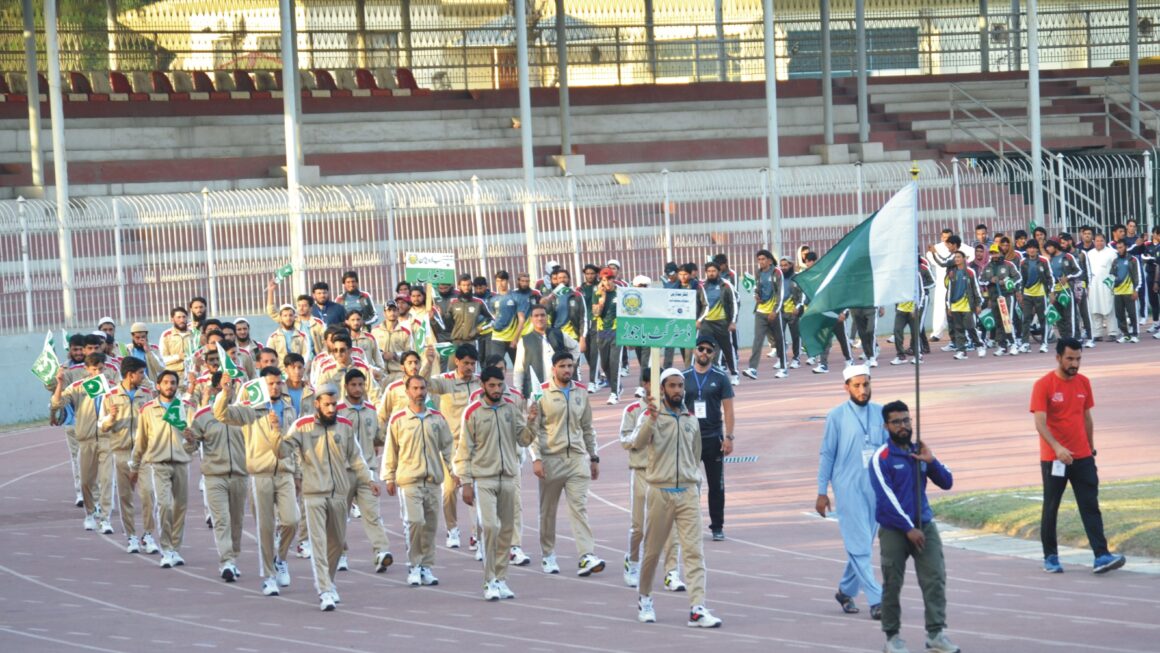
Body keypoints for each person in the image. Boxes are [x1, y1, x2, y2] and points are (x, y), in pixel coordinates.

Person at [630, 368, 722, 628]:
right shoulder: (652, 417)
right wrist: (650, 418)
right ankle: (645, 598)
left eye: (680, 386)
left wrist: (694, 484)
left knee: (694, 552)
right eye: (672, 386)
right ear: (662, 389)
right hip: (660, 492)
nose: (678, 391)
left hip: (688, 494)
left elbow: (695, 455)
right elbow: (637, 443)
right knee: (653, 552)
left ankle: (697, 608)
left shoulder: (691, 420)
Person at [280, 383, 380, 611]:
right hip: (314, 494)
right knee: (318, 543)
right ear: (317, 403)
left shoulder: (344, 426)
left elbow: (356, 458)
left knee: (337, 543)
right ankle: (324, 590)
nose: (332, 409)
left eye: (334, 404)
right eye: (327, 404)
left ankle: (330, 581)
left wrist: (369, 480)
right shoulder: (302, 426)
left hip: (339, 495)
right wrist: (277, 435)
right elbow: (283, 451)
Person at [1031, 338, 1127, 575]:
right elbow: (1040, 423)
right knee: (1051, 507)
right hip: (1054, 459)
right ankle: (1051, 557)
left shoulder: (1084, 383)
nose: (1075, 364)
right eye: (1070, 359)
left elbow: (1087, 418)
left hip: (1083, 457)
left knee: (1090, 505)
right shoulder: (1043, 385)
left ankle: (1101, 555)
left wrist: (1091, 449)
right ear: (1058, 358)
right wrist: (1057, 448)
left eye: (1078, 359)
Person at [869, 400, 957, 653]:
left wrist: (931, 461)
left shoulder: (919, 451)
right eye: (897, 422)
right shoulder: (881, 458)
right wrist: (908, 527)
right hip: (895, 530)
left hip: (925, 525)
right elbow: (886, 499)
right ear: (886, 426)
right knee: (892, 583)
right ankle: (892, 637)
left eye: (906, 420)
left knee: (935, 578)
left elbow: (947, 482)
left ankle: (936, 634)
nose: (903, 426)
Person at [214, 366, 300, 596]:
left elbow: (295, 441)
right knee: (265, 527)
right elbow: (222, 415)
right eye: (270, 383)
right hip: (260, 474)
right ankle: (269, 577)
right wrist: (225, 393)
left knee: (292, 521)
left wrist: (298, 472)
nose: (275, 387)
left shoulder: (289, 407)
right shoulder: (251, 410)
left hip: (285, 472)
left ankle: (280, 557)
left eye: (277, 383)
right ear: (262, 385)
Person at [457, 366, 536, 600]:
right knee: (490, 527)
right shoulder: (472, 412)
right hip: (484, 479)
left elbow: (523, 439)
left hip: (509, 477)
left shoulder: (510, 408)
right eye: (491, 385)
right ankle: (489, 580)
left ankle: (501, 579)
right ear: (483, 386)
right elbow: (464, 450)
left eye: (499, 385)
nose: (496, 389)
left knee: (507, 530)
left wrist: (532, 422)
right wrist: (466, 482)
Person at [815, 364, 885, 619]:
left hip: (875, 489)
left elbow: (889, 452)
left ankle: (845, 590)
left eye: (866, 384)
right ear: (847, 387)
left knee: (863, 544)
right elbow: (827, 454)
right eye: (856, 385)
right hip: (847, 488)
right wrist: (822, 491)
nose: (862, 390)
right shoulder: (836, 416)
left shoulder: (881, 413)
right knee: (859, 546)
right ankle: (877, 599)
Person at [528, 351, 605, 576]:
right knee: (548, 511)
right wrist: (537, 459)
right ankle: (548, 554)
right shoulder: (540, 393)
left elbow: (588, 427)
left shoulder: (581, 391)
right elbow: (533, 429)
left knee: (579, 508)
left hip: (577, 460)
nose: (567, 370)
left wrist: (594, 456)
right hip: (551, 459)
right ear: (554, 368)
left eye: (570, 366)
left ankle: (586, 555)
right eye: (562, 366)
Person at [382, 375, 456, 587]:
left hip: (433, 480)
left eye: (422, 388)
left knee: (431, 526)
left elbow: (448, 447)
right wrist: (389, 476)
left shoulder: (437, 418)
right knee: (415, 522)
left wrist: (454, 470)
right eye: (415, 388)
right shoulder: (398, 420)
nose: (419, 392)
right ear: (407, 392)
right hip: (409, 481)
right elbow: (391, 450)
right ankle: (414, 565)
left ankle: (427, 566)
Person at [618, 367, 681, 589]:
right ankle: (633, 560)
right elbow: (626, 440)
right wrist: (645, 425)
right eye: (651, 383)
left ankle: (671, 572)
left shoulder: (673, 409)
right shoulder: (634, 410)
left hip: (666, 474)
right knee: (640, 527)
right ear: (644, 384)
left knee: (671, 525)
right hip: (642, 472)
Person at [129, 370, 197, 568]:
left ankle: (176, 548)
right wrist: (134, 465)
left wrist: (192, 440)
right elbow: (141, 441)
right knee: (165, 505)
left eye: (173, 382)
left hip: (182, 463)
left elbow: (195, 443)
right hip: (159, 463)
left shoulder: (186, 408)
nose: (169, 386)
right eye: (165, 382)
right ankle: (166, 549)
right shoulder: (148, 410)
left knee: (180, 507)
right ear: (158, 385)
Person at [191, 372, 249, 582]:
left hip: (240, 475)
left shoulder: (243, 413)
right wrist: (188, 438)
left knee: (236, 521)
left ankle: (233, 556)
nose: (228, 388)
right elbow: (191, 445)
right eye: (224, 385)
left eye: (231, 385)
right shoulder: (203, 415)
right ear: (215, 388)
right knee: (221, 520)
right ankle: (227, 562)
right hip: (214, 476)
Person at [337, 369, 395, 574]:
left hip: (368, 472)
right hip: (343, 471)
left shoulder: (371, 410)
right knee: (339, 516)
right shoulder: (337, 410)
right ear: (346, 386)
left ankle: (381, 552)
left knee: (372, 514)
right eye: (353, 385)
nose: (358, 389)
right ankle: (340, 553)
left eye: (361, 384)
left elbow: (378, 437)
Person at [426, 344, 483, 549]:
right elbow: (424, 384)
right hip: (451, 445)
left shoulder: (480, 382)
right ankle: (452, 528)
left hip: (475, 445)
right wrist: (428, 362)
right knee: (450, 489)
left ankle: (476, 534)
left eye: (472, 364)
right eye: (465, 363)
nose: (469, 367)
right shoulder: (446, 381)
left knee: (475, 488)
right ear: (456, 361)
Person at [97, 356, 155, 552]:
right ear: (131, 375)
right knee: (125, 496)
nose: (143, 376)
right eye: (141, 373)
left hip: (144, 453)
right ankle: (131, 536)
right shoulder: (110, 395)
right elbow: (102, 426)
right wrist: (111, 418)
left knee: (148, 492)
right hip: (121, 452)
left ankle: (148, 534)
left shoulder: (146, 394)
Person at [683, 335, 734, 542]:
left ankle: (717, 526)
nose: (704, 353)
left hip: (714, 438)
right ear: (694, 351)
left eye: (708, 350)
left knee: (716, 486)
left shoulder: (720, 377)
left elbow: (729, 410)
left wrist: (729, 437)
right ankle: (690, 523)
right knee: (689, 484)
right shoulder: (684, 377)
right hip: (690, 439)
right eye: (701, 349)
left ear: (713, 354)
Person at [51, 352, 109, 532]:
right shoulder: (77, 388)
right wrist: (60, 383)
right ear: (86, 369)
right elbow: (57, 403)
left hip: (106, 440)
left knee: (106, 480)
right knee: (86, 480)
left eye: (100, 369)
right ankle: (90, 512)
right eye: (94, 369)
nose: (98, 372)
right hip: (86, 440)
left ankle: (105, 517)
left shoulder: (111, 387)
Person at [514, 304, 580, 399]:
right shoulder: (525, 341)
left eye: (542, 315)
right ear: (531, 319)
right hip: (536, 390)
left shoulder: (558, 334)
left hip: (558, 387)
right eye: (536, 316)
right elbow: (519, 369)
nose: (540, 318)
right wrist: (518, 391)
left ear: (547, 317)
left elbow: (575, 347)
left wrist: (569, 363)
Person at [743, 249, 788, 380]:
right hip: (761, 311)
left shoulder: (777, 272)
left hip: (774, 312)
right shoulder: (758, 273)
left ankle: (783, 368)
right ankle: (752, 368)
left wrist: (775, 311)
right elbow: (758, 288)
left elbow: (781, 293)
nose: (761, 262)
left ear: (769, 260)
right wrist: (756, 296)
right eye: (759, 260)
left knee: (779, 340)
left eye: (763, 259)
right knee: (757, 340)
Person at [697, 261, 738, 384]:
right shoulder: (702, 286)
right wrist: (698, 320)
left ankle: (734, 374)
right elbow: (698, 304)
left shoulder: (726, 285)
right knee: (705, 349)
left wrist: (733, 321)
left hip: (722, 323)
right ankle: (710, 374)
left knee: (727, 350)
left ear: (719, 272)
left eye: (713, 271)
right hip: (707, 324)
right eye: (709, 271)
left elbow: (734, 303)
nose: (711, 273)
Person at [890, 258, 935, 365]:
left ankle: (918, 355)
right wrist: (896, 306)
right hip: (901, 309)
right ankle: (901, 356)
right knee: (897, 331)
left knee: (915, 333)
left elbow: (922, 293)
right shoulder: (897, 277)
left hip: (913, 310)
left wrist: (917, 307)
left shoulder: (916, 275)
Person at [981, 243, 1022, 357]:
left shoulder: (1008, 264)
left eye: (996, 252)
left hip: (1007, 296)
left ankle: (1013, 344)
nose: (994, 255)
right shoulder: (987, 267)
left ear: (1000, 252)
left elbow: (1018, 277)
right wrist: (990, 280)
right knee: (998, 322)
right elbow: (981, 280)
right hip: (994, 297)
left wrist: (1007, 281)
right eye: (992, 253)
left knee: (1007, 321)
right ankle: (1002, 346)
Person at [943, 251, 984, 359]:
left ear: (964, 258)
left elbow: (976, 287)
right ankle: (961, 351)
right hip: (955, 305)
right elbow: (949, 290)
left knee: (970, 327)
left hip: (967, 305)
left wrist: (978, 303)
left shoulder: (970, 272)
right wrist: (949, 305)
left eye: (959, 257)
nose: (956, 259)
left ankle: (979, 345)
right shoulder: (952, 272)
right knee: (958, 329)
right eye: (955, 257)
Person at [591, 268, 623, 403]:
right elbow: (596, 313)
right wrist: (602, 298)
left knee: (614, 362)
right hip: (602, 332)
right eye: (604, 280)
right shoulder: (597, 294)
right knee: (605, 364)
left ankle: (614, 392)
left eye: (610, 279)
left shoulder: (620, 292)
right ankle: (615, 385)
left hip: (617, 331)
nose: (608, 282)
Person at [1087, 234, 1118, 340]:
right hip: (1093, 285)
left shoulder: (1112, 253)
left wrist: (1111, 282)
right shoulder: (1089, 254)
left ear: (1105, 241)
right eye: (1097, 241)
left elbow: (1116, 269)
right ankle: (1097, 333)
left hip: (1107, 285)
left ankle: (1113, 332)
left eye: (1101, 240)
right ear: (1093, 241)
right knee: (1094, 309)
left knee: (1109, 308)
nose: (1099, 243)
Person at [1110, 239, 1142, 343]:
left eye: (1121, 247)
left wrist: (1136, 290)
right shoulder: (1115, 261)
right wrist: (1111, 284)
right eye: (1118, 248)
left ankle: (1135, 334)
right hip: (1118, 292)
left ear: (1126, 247)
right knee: (1120, 315)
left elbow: (1138, 276)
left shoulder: (1132, 260)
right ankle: (1125, 335)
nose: (1119, 250)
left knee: (1132, 314)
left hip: (1130, 291)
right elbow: (1111, 275)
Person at [159, 306, 196, 372]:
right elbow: (161, 359)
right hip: (173, 374)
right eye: (178, 317)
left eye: (184, 317)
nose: (182, 320)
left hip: (191, 373)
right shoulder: (166, 335)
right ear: (172, 319)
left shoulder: (194, 334)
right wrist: (178, 357)